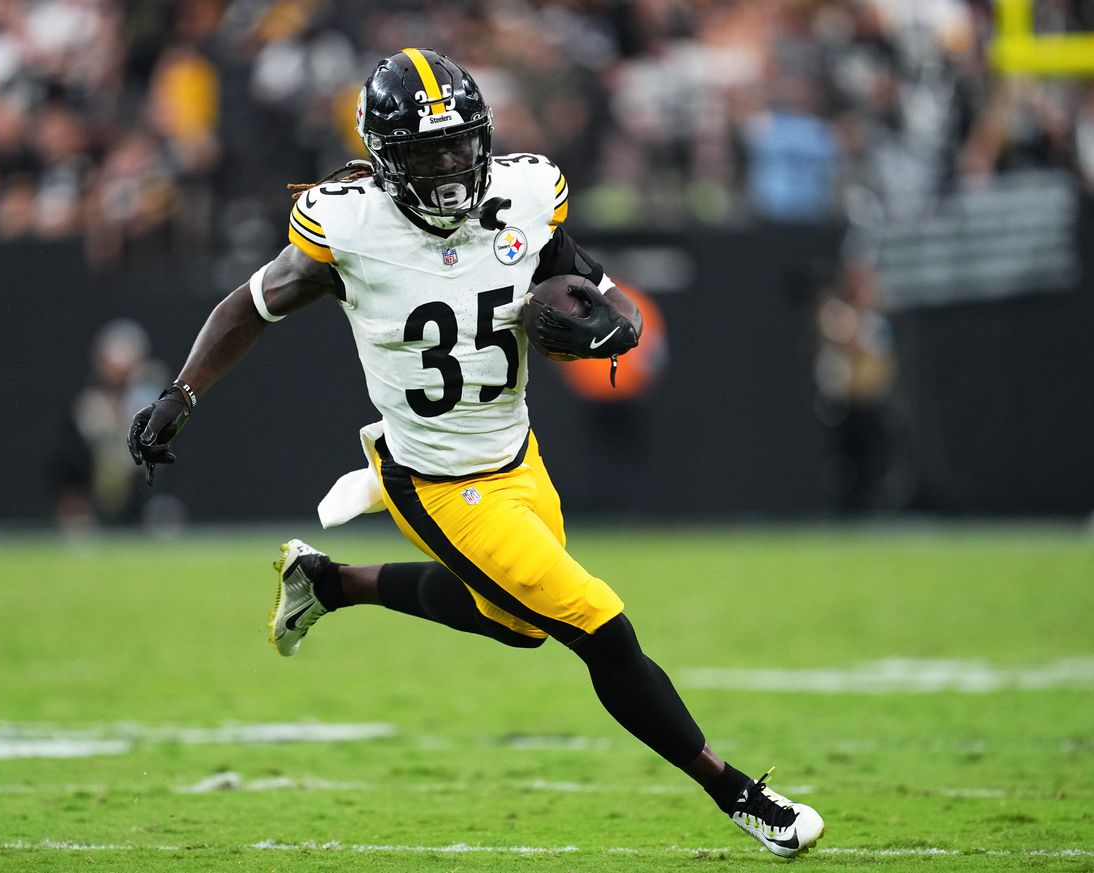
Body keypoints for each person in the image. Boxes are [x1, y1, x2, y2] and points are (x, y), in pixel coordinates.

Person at [127, 49, 824, 858]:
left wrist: (617, 316)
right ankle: (743, 795)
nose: (450, 170)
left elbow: (580, 277)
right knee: (597, 624)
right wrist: (182, 392)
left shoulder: (527, 191)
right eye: (426, 154)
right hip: (434, 479)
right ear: (387, 161)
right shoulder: (347, 226)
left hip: (518, 455)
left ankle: (330, 583)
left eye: (459, 146)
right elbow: (248, 307)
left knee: (521, 624)